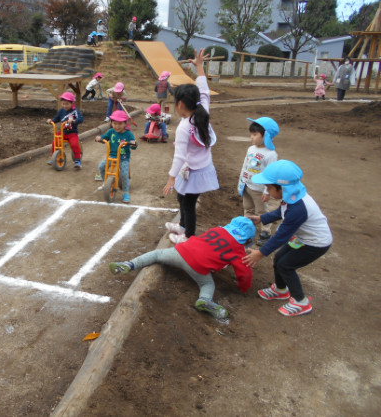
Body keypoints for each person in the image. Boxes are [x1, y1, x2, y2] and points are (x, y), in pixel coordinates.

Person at [110, 216, 256, 320]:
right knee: (207, 284)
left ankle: (129, 264)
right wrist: (244, 287)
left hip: (181, 251)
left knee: (156, 254)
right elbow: (245, 273)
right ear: (247, 239)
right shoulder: (238, 249)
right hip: (197, 266)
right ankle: (205, 300)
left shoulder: (217, 230)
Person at [243, 160, 333, 317]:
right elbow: (280, 212)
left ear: (282, 187)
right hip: (304, 239)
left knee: (286, 265)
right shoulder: (290, 197)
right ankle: (280, 289)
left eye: (270, 188)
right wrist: (262, 218)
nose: (268, 191)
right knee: (279, 258)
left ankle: (301, 302)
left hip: (316, 243)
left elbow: (281, 236)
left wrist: (260, 252)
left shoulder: (298, 208)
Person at [163, 48, 218, 240]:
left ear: (179, 105)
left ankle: (188, 237)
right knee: (182, 197)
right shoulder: (202, 108)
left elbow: (178, 156)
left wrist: (171, 178)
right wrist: (200, 67)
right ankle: (182, 226)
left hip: (195, 170)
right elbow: (203, 89)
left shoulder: (184, 127)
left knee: (188, 204)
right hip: (196, 167)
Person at [237, 117, 279, 244]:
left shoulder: (271, 154)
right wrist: (241, 181)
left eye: (255, 134)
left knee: (261, 211)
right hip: (247, 186)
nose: (251, 137)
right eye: (251, 134)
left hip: (259, 190)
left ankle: (265, 232)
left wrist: (267, 191)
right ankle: (247, 230)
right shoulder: (251, 149)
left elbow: (271, 175)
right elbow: (245, 165)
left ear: (266, 135)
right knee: (247, 209)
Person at [94, 110, 137, 203]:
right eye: (114, 123)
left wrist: (133, 144)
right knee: (101, 167)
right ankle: (105, 182)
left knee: (124, 174)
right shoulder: (111, 131)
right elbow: (104, 137)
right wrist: (100, 138)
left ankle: (125, 192)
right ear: (111, 123)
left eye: (120, 124)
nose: (117, 126)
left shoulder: (128, 134)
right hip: (112, 156)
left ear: (125, 123)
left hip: (123, 158)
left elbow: (133, 145)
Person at [46, 92, 84, 169]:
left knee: (74, 144)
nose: (65, 106)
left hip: (72, 132)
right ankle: (54, 157)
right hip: (63, 132)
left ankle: (77, 160)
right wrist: (51, 121)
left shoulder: (75, 111)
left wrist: (73, 121)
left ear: (72, 103)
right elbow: (56, 118)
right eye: (63, 104)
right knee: (55, 141)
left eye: (67, 104)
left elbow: (81, 119)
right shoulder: (61, 111)